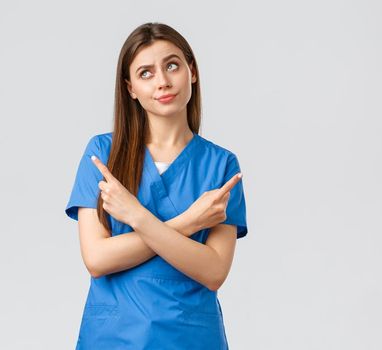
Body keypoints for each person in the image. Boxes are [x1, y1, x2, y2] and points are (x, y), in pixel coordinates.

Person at [64, 22, 248, 349]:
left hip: (190, 337)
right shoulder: (102, 154)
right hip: (114, 337)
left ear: (191, 71)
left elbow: (214, 270)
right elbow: (97, 259)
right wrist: (187, 223)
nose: (162, 81)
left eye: (172, 66)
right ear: (130, 88)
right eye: (145, 73)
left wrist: (136, 216)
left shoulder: (221, 165)